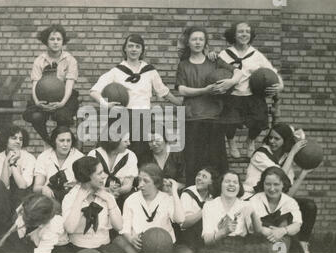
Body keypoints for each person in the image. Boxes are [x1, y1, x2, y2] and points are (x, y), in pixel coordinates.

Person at [90, 34, 182, 163]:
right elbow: (94, 91)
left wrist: (181, 104)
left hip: (143, 118)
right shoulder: (116, 71)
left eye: (137, 46)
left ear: (142, 50)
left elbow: (164, 92)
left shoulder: (150, 71)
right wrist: (106, 104)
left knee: (141, 154)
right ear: (125, 49)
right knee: (117, 153)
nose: (134, 49)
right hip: (121, 117)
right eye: (130, 46)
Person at [176, 26, 243, 185]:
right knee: (193, 162)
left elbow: (238, 73)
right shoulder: (183, 65)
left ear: (205, 42)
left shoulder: (214, 60)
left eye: (201, 39)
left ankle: (216, 198)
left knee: (216, 162)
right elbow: (182, 90)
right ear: (188, 43)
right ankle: (194, 198)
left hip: (214, 119)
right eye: (194, 39)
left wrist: (230, 82)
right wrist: (204, 90)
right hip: (192, 119)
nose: (197, 42)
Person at [245, 123, 316, 253]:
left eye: (276, 139)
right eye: (270, 137)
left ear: (285, 141)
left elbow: (288, 195)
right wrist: (293, 152)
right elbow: (278, 176)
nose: (272, 141)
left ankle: (303, 245)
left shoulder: (286, 160)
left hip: (272, 201)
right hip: (252, 199)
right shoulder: (260, 154)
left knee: (309, 206)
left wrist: (303, 174)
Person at [218, 21, 284, 158]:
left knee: (260, 120)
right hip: (232, 95)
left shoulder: (256, 55)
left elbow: (274, 72)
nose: (244, 34)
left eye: (247, 32)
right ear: (234, 35)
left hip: (252, 96)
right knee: (228, 121)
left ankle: (250, 141)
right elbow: (215, 72)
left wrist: (280, 85)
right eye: (240, 31)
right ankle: (231, 141)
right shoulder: (225, 54)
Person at [23, 24, 79, 145]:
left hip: (64, 97)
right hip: (42, 98)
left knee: (62, 117)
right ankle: (49, 141)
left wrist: (62, 103)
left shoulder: (70, 60)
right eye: (52, 39)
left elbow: (70, 84)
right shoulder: (39, 60)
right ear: (46, 41)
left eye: (59, 39)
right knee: (36, 116)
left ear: (63, 41)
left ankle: (60, 141)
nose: (55, 42)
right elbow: (35, 83)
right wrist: (37, 101)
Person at [120, 163, 185, 253]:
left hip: (164, 247)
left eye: (146, 181)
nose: (140, 185)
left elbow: (180, 219)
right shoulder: (131, 200)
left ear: (157, 183)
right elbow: (125, 228)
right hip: (140, 248)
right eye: (139, 180)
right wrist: (131, 239)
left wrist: (174, 191)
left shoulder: (166, 198)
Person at [62, 156, 123, 253]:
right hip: (78, 248)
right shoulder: (71, 197)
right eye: (99, 173)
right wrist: (78, 200)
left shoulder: (107, 197)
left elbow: (119, 226)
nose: (104, 176)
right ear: (87, 176)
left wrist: (109, 200)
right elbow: (69, 228)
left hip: (104, 247)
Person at [200, 171, 266, 253]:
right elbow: (207, 241)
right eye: (227, 181)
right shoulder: (209, 206)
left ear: (239, 187)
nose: (231, 184)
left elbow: (258, 232)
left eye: (235, 182)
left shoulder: (246, 205)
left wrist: (253, 213)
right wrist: (223, 232)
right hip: (216, 248)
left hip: (241, 247)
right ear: (220, 185)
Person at [250, 167, 303, 253]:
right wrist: (271, 232)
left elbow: (297, 225)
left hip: (283, 238)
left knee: (285, 222)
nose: (272, 188)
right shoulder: (255, 200)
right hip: (259, 237)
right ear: (263, 184)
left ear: (283, 184)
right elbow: (251, 225)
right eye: (268, 184)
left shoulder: (290, 202)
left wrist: (282, 231)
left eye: (276, 184)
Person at [0, 194, 69, 253]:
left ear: (40, 224)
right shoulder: (28, 206)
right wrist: (4, 239)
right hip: (32, 235)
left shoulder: (53, 227)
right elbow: (16, 225)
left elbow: (42, 252)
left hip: (55, 248)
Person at [33, 126, 84, 203]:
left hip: (72, 200)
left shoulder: (79, 157)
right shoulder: (44, 157)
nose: (65, 144)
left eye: (68, 140)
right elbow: (36, 187)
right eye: (62, 140)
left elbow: (86, 186)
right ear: (54, 141)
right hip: (49, 200)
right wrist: (43, 188)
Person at [87, 131, 138, 208]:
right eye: (125, 141)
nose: (129, 143)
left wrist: (117, 190)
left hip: (122, 196)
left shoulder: (130, 155)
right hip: (97, 193)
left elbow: (128, 185)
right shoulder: (94, 154)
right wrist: (106, 190)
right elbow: (90, 182)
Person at [0, 125, 36, 209]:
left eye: (20, 139)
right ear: (5, 140)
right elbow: (3, 186)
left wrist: (13, 164)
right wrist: (6, 163)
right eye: (14, 138)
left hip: (25, 198)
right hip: (5, 198)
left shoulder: (29, 158)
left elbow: (22, 186)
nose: (18, 141)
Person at [178, 167, 216, 251]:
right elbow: (184, 223)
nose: (199, 178)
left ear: (211, 182)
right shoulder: (187, 194)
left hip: (206, 238)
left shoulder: (212, 195)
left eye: (204, 176)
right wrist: (205, 208)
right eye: (198, 175)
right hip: (187, 240)